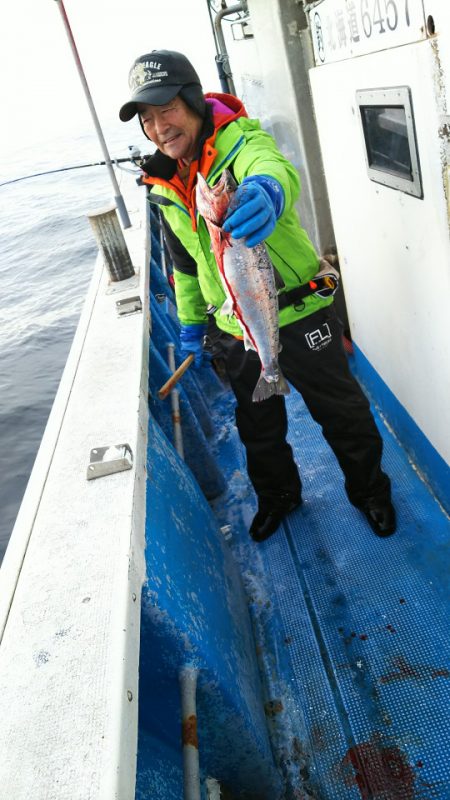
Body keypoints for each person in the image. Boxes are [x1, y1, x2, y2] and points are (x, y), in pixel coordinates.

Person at [119, 49, 396, 542]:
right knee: (257, 426)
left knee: (342, 410)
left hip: (300, 310)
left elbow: (273, 166)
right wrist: (191, 322)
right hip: (235, 326)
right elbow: (185, 265)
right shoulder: (163, 184)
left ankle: (370, 491)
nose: (159, 128)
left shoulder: (241, 140)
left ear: (193, 102)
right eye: (147, 119)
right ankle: (279, 496)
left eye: (167, 110)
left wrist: (268, 189)